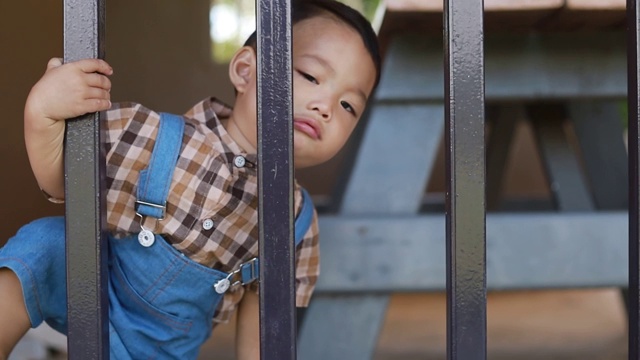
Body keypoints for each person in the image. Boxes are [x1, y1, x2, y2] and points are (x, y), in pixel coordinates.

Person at [0, 0, 381, 358]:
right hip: (90, 290)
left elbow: (264, 334)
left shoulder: (294, 221)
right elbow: (62, 182)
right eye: (311, 75)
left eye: (349, 105)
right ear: (246, 71)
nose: (326, 106)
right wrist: (41, 114)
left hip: (162, 349)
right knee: (47, 242)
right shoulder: (152, 136)